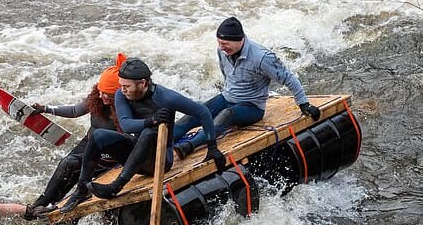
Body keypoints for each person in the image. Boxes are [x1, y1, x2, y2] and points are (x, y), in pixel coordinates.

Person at [60, 57, 225, 213]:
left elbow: (202, 112)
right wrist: (151, 120)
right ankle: (81, 189)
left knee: (148, 133)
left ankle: (116, 186)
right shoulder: (121, 94)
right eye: (121, 85)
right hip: (135, 154)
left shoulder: (166, 97)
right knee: (97, 135)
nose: (122, 90)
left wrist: (212, 147)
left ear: (143, 83)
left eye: (127, 86)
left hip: (159, 161)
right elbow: (125, 124)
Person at [172, 16, 321, 159]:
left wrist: (304, 104)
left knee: (226, 114)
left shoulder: (262, 57)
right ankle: (161, 142)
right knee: (197, 112)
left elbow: (288, 78)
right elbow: (227, 74)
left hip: (251, 107)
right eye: (219, 43)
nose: (221, 47)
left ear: (239, 40)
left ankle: (189, 146)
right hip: (227, 98)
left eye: (225, 44)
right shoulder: (222, 51)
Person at [29, 53, 126, 211]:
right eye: (100, 91)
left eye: (107, 94)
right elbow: (75, 110)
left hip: (111, 154)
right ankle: (43, 203)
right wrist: (46, 109)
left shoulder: (126, 107)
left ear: (119, 94)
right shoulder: (97, 97)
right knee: (67, 164)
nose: (102, 96)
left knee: (79, 172)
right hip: (90, 143)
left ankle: (69, 200)